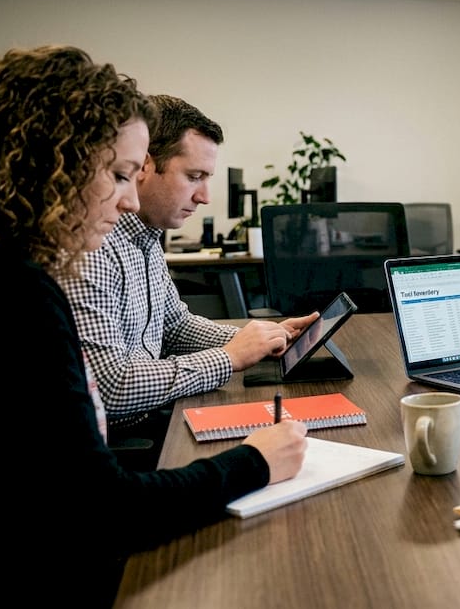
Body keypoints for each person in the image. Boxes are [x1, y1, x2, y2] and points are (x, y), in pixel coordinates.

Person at [0, 45, 307, 605]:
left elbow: (174, 323)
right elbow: (105, 511)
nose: (130, 202)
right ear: (50, 162)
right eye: (119, 174)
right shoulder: (14, 289)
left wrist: (261, 338)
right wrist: (255, 461)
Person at [59, 94, 316, 461]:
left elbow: (175, 326)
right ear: (146, 166)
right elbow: (111, 387)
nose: (205, 196)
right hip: (124, 442)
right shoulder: (95, 246)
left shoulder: (145, 237)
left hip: (155, 415)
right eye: (194, 176)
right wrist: (228, 358)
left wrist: (263, 339)